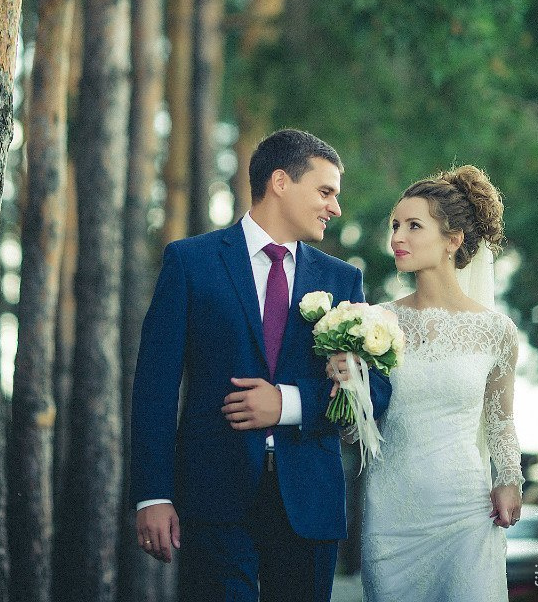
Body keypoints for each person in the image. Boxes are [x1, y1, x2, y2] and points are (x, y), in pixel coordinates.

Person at [130, 128, 392, 602]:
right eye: (325, 191)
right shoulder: (191, 262)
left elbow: (372, 395)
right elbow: (155, 387)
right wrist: (153, 494)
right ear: (280, 182)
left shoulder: (343, 280)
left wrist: (287, 404)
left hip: (309, 504)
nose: (335, 207)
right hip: (212, 501)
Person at [328, 165, 523, 602]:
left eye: (414, 226)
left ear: (453, 240)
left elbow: (500, 420)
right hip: (390, 516)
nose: (397, 237)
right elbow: (352, 432)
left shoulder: (498, 331)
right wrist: (347, 391)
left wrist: (509, 477)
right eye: (395, 225)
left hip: (466, 512)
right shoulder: (371, 323)